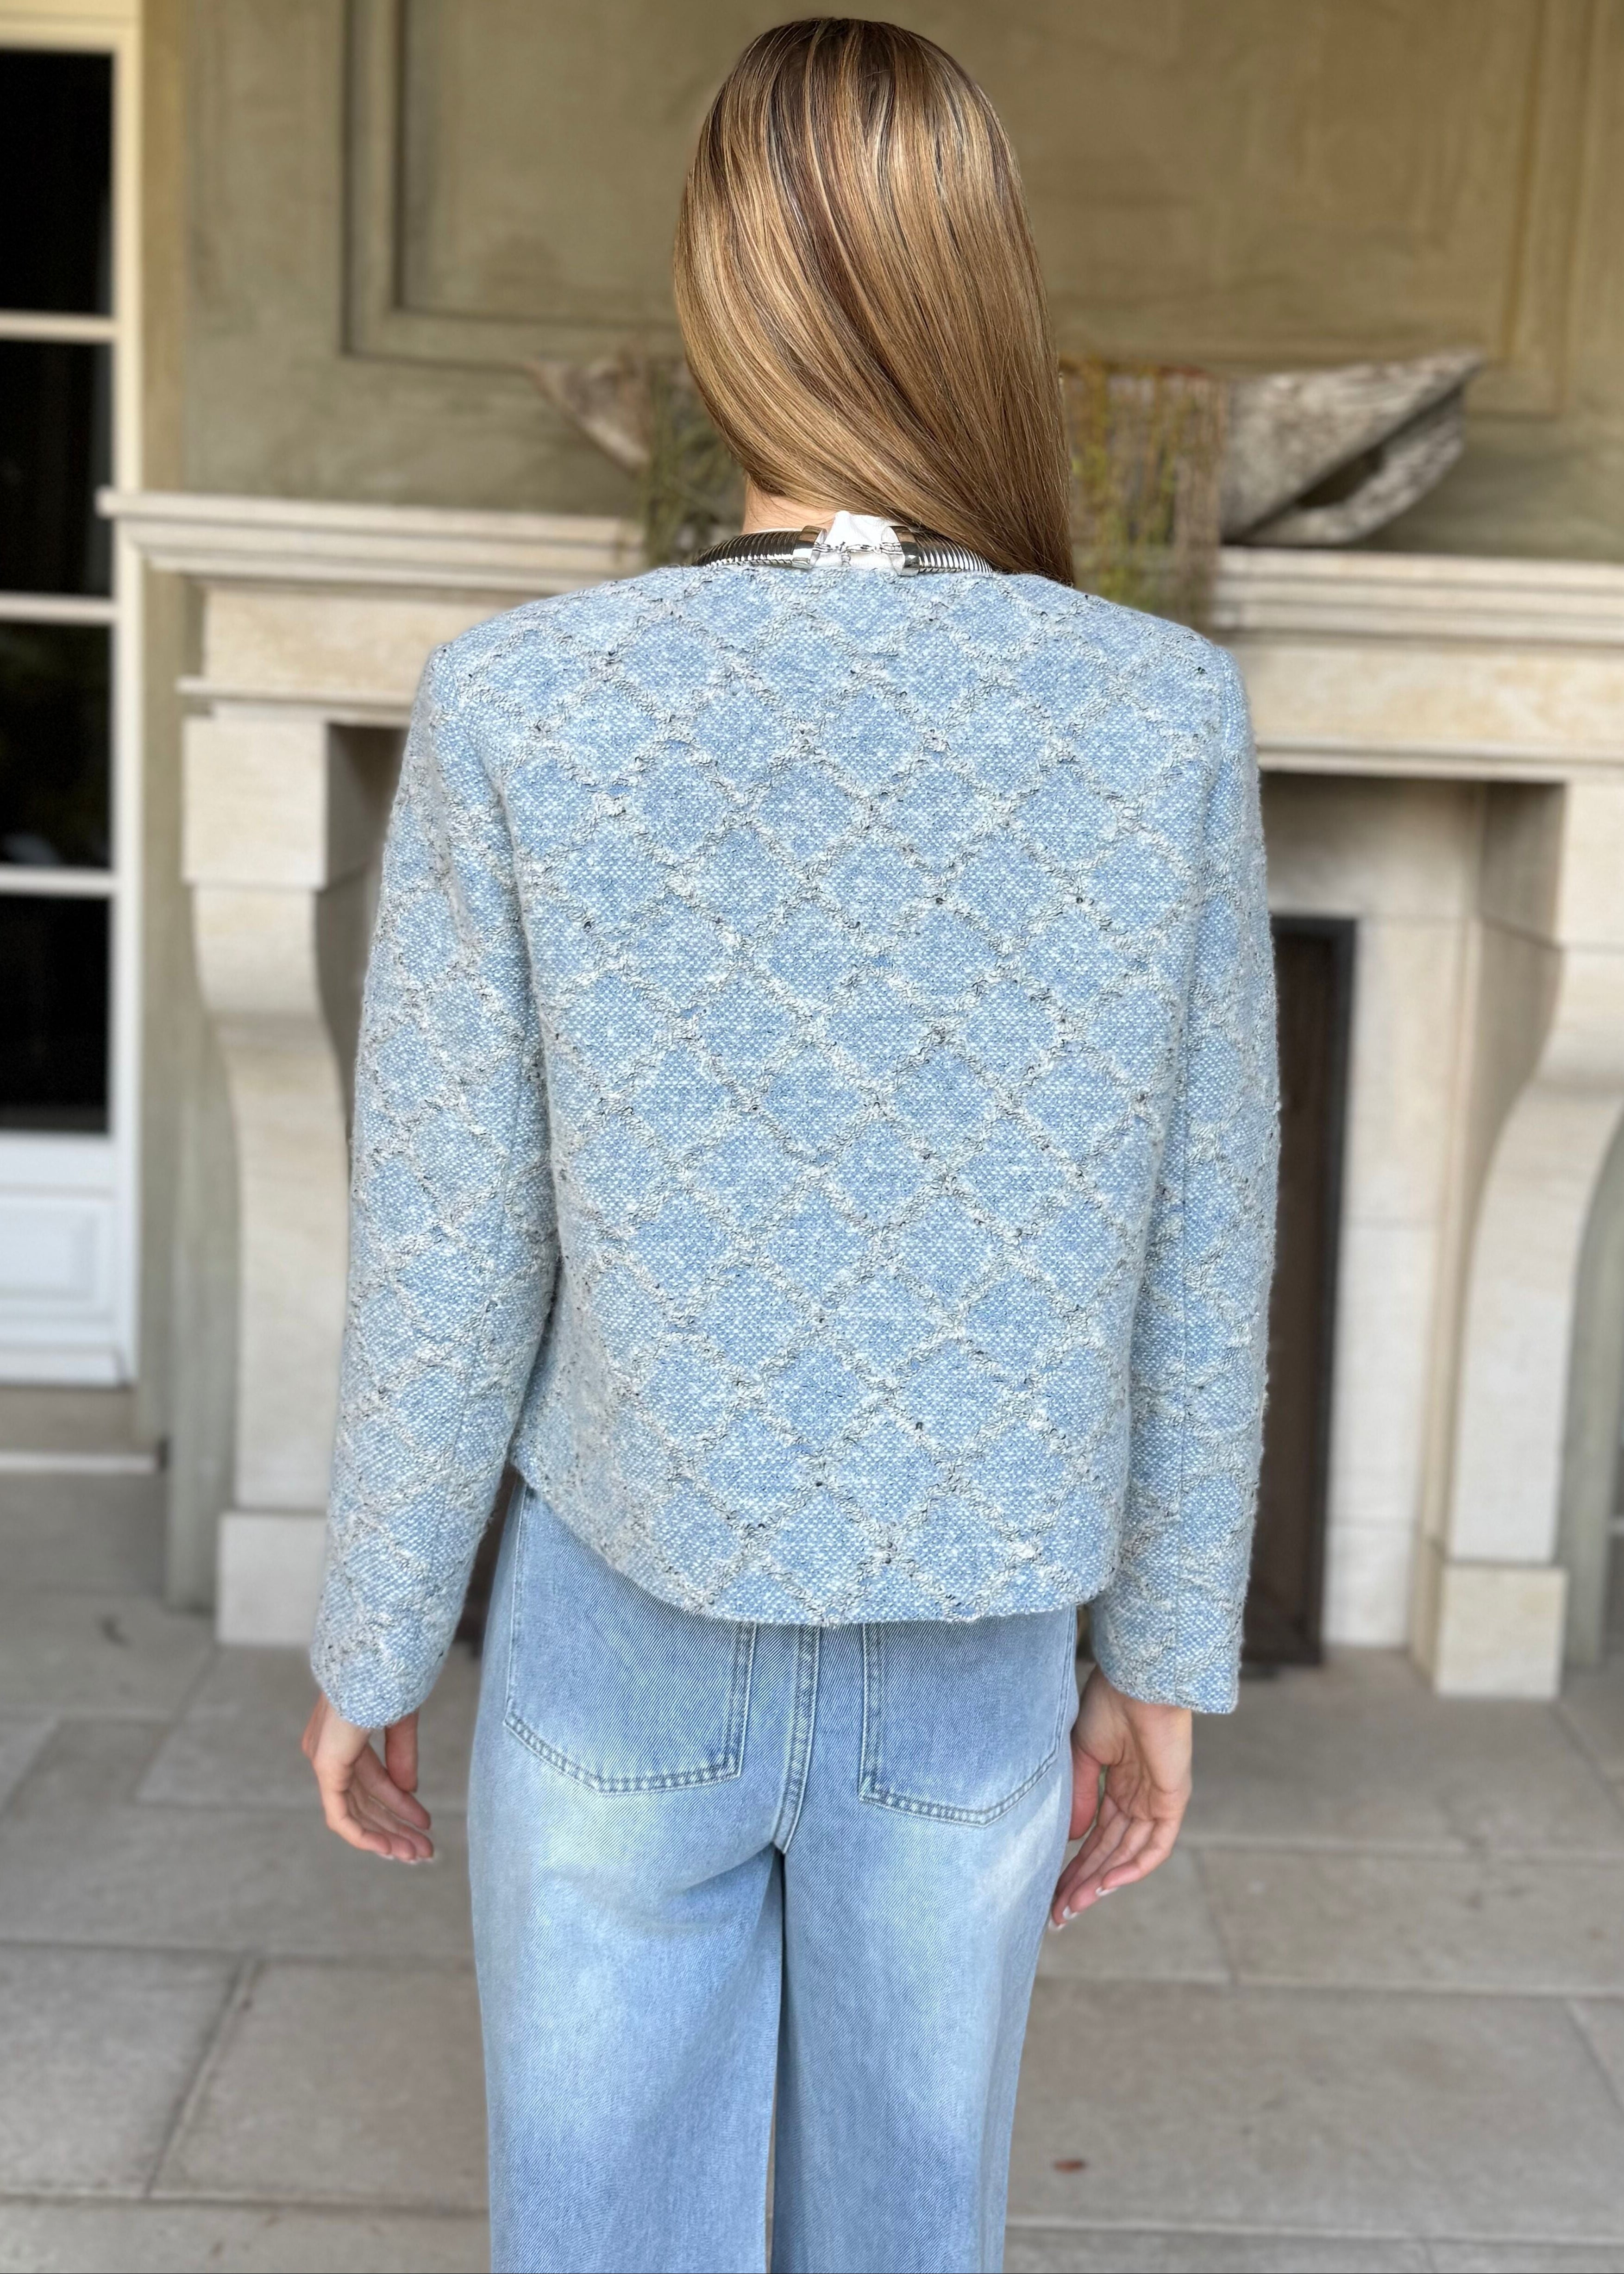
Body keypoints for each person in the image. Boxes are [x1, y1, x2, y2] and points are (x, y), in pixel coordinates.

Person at [300, 19, 1279, 2272]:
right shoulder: (1157, 719)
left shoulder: (525, 703)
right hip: (973, 1637)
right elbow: (1201, 1236)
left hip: (622, 1618)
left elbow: (452, 1242)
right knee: (912, 2235)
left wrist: (376, 1638)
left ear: (712, 301)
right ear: (984, 299)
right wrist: (1160, 1656)